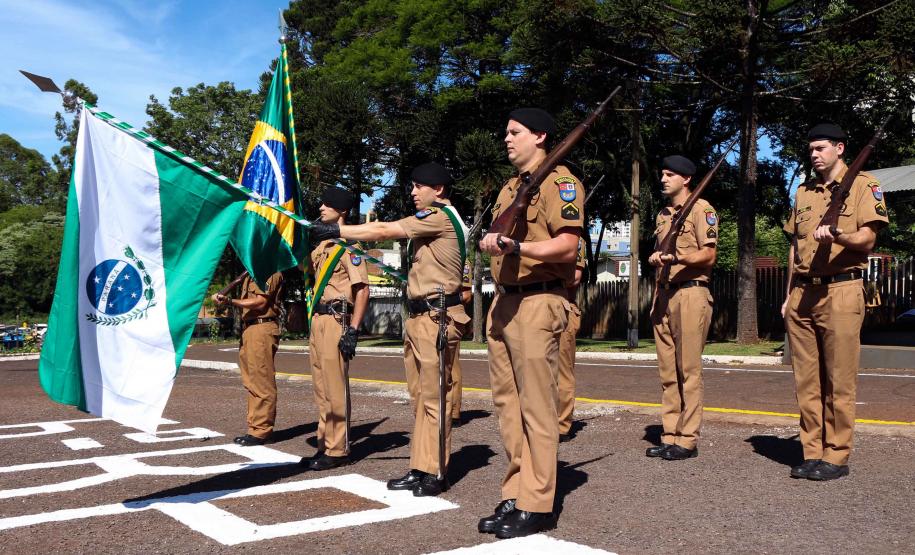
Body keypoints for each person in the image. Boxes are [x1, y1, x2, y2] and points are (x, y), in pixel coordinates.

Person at [310, 162, 470, 496]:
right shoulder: (431, 221)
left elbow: (384, 230)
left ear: (438, 189)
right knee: (420, 398)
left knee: (434, 398)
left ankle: (436, 471)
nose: (413, 192)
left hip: (437, 317)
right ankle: (420, 466)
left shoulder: (439, 216)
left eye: (419, 186)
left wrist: (338, 231)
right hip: (422, 317)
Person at [478, 107, 584, 539]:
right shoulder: (510, 187)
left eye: (515, 132)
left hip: (539, 302)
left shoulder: (561, 182)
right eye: (506, 132)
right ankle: (516, 490)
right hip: (504, 302)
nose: (507, 138)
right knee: (508, 407)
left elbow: (568, 246)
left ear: (540, 136)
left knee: (538, 408)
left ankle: (537, 503)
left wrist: (517, 247)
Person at [781, 123, 889, 481]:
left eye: (821, 148)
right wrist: (787, 295)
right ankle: (812, 452)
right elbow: (795, 247)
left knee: (839, 381)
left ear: (839, 148)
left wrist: (840, 234)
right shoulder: (804, 192)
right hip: (803, 292)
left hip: (841, 290)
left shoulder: (864, 185)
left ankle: (836, 456)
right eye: (811, 149)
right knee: (806, 381)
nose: (814, 154)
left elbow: (868, 238)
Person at [646, 155, 717, 461]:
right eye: (662, 174)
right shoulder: (663, 215)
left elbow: (709, 255)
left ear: (686, 179)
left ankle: (687, 439)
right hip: (663, 294)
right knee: (667, 372)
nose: (663, 179)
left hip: (690, 293)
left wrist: (678, 258)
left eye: (670, 174)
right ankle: (669, 434)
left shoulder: (702, 209)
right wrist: (656, 257)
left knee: (688, 370)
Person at [303, 186, 369, 470]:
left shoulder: (350, 247)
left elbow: (362, 289)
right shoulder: (322, 247)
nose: (321, 208)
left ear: (341, 210)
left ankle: (338, 449)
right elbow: (303, 270)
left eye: (327, 204)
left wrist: (353, 329)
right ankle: (325, 443)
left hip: (336, 319)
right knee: (321, 387)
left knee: (335, 386)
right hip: (318, 320)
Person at [212, 271, 284, 446]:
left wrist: (230, 301)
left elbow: (261, 302)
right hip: (250, 329)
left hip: (261, 328)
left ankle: (261, 431)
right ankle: (255, 428)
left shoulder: (269, 270)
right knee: (252, 382)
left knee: (261, 381)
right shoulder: (250, 274)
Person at [558, 238, 586, 442]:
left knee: (562, 371)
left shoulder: (575, 241)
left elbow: (574, 278)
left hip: (564, 308)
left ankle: (561, 425)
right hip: (537, 309)